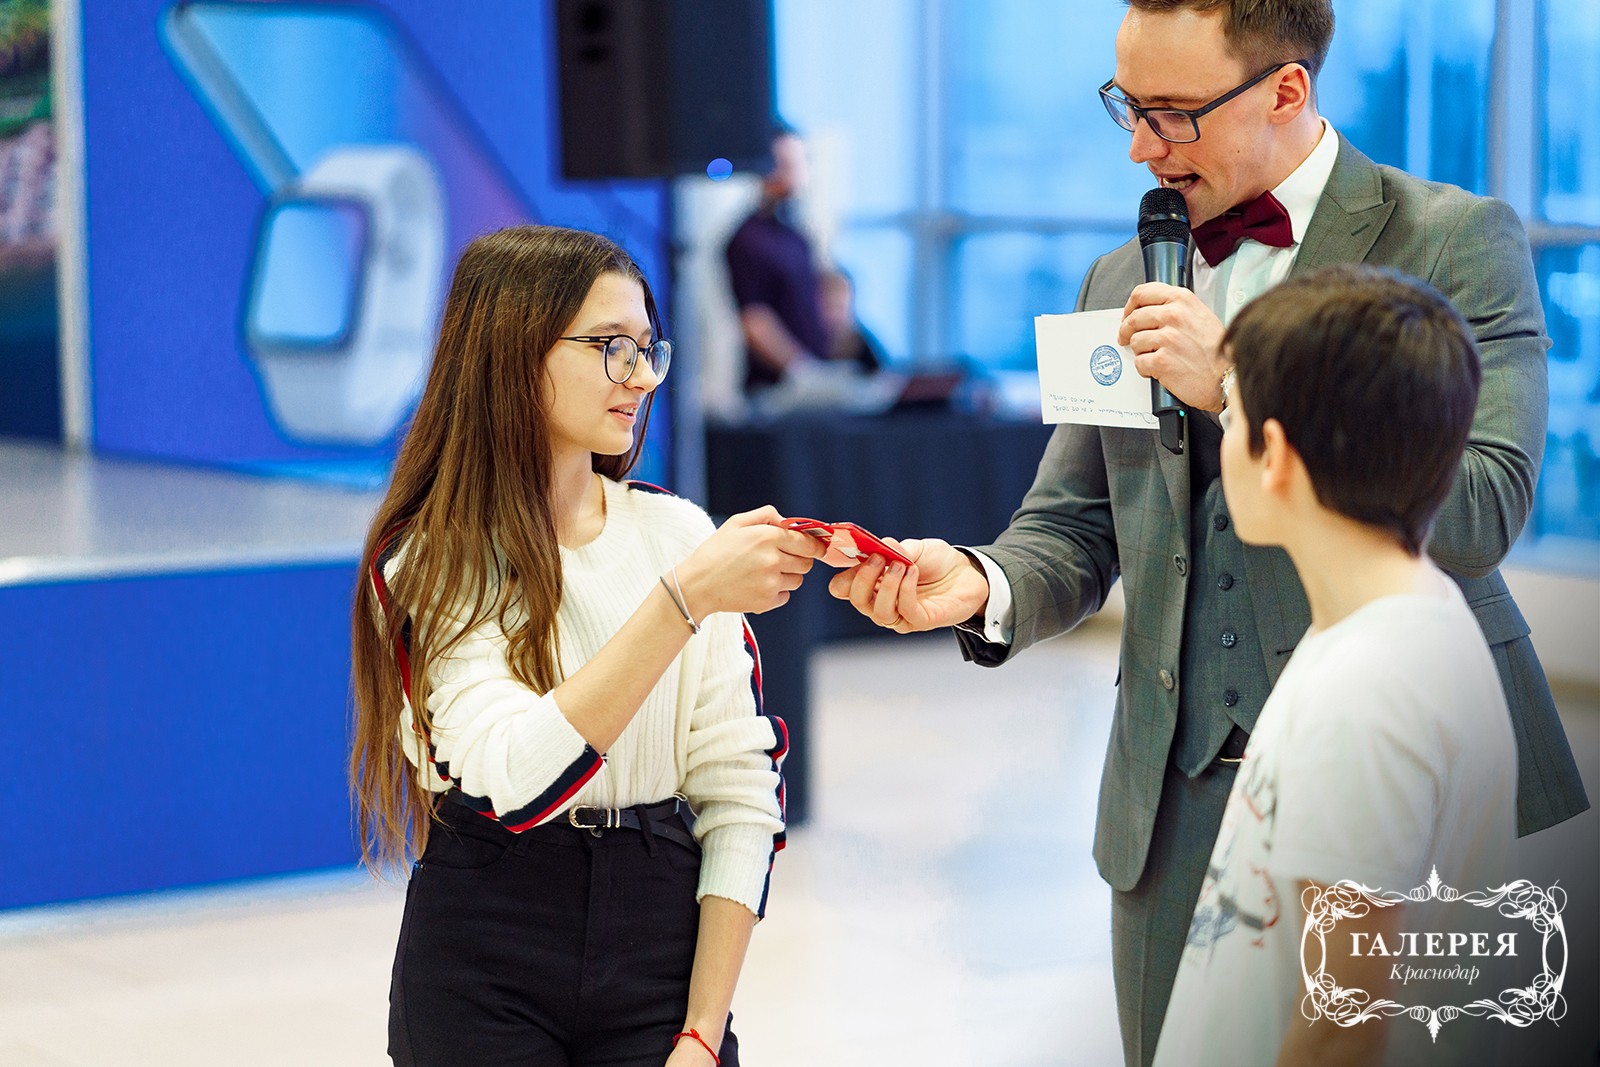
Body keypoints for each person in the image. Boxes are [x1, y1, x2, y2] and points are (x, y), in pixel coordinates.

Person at [826, 2, 1588, 1063]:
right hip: (1171, 795)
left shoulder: (1453, 239)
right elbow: (1074, 521)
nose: (1142, 149)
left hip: (1400, 765)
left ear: (1286, 90)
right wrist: (981, 581)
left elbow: (1483, 510)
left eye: (1174, 113)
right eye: (1128, 108)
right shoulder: (1117, 278)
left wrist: (1237, 377)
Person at [350, 225, 825, 1066]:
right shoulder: (432, 558)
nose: (642, 376)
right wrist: (682, 601)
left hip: (660, 934)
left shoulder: (677, 532)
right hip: (485, 944)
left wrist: (702, 1028)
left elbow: (740, 791)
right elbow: (514, 777)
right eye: (611, 347)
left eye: (647, 348)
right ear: (511, 352)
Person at [1151, 264, 1515, 1066]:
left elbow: (1342, 1026)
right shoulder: (1386, 622)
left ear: (1274, 455)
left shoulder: (1368, 688)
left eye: (1234, 415)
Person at [724, 127, 850, 392]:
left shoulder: (796, 236)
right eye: (787, 163)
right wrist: (802, 371)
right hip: (776, 388)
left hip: (815, 374)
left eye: (800, 162)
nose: (797, 172)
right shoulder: (748, 240)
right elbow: (754, 319)